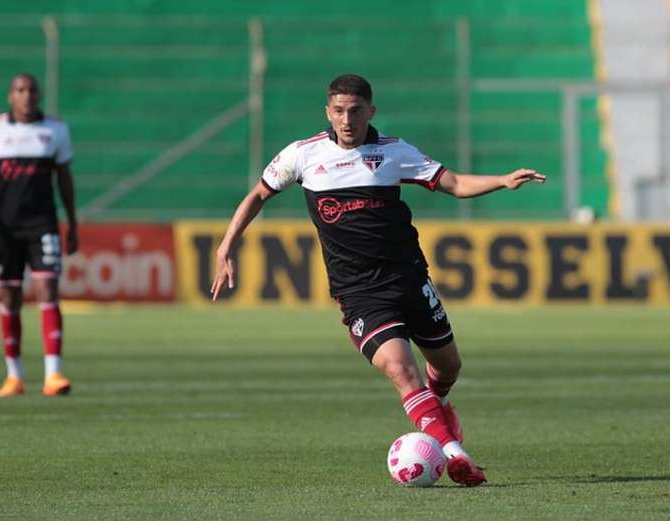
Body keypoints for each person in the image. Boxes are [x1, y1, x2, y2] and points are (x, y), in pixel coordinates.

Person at [210, 74, 545, 486]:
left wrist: (502, 180)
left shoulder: (394, 153)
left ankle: (435, 419)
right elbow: (258, 194)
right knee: (402, 369)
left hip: (408, 277)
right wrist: (226, 246)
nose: (346, 119)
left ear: (371, 111)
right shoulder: (302, 155)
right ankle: (455, 454)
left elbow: (453, 183)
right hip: (358, 292)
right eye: (338, 111)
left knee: (448, 365)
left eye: (355, 110)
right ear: (327, 113)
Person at [0, 73, 78, 398]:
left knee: (48, 290)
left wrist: (73, 223)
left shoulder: (55, 130)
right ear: (11, 95)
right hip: (7, 228)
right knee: (9, 297)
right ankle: (14, 376)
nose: (26, 96)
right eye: (20, 90)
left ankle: (53, 374)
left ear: (38, 95)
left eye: (31, 90)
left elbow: (65, 180)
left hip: (43, 225)